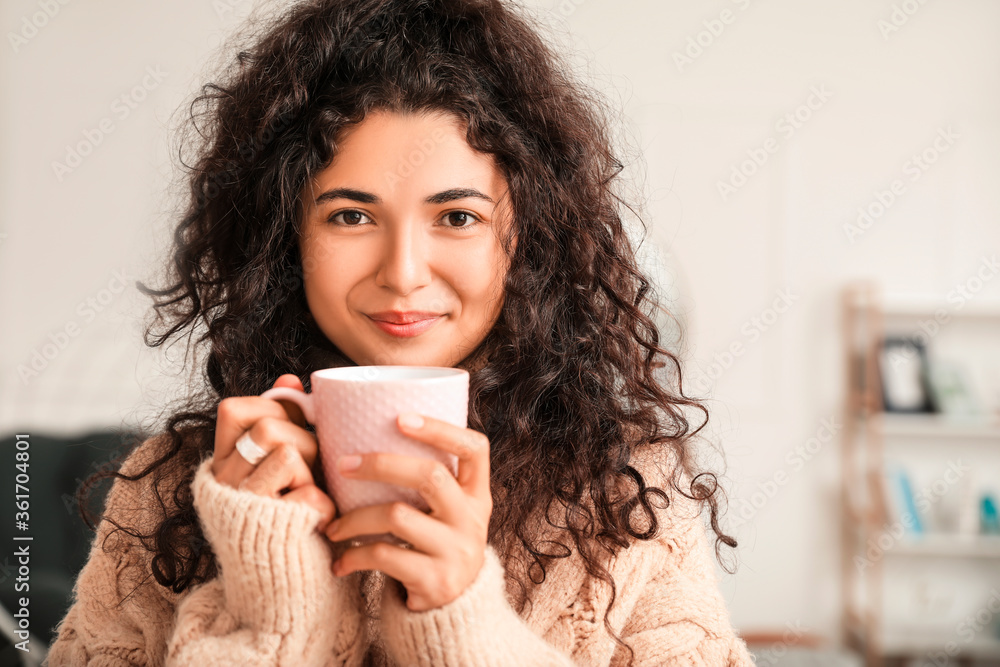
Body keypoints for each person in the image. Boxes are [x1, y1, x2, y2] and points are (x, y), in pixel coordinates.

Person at [46, 0, 755, 665]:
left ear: (525, 239)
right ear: (284, 237)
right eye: (351, 216)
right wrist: (276, 612)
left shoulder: (626, 497)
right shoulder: (169, 488)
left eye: (457, 217)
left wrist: (461, 620)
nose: (404, 273)